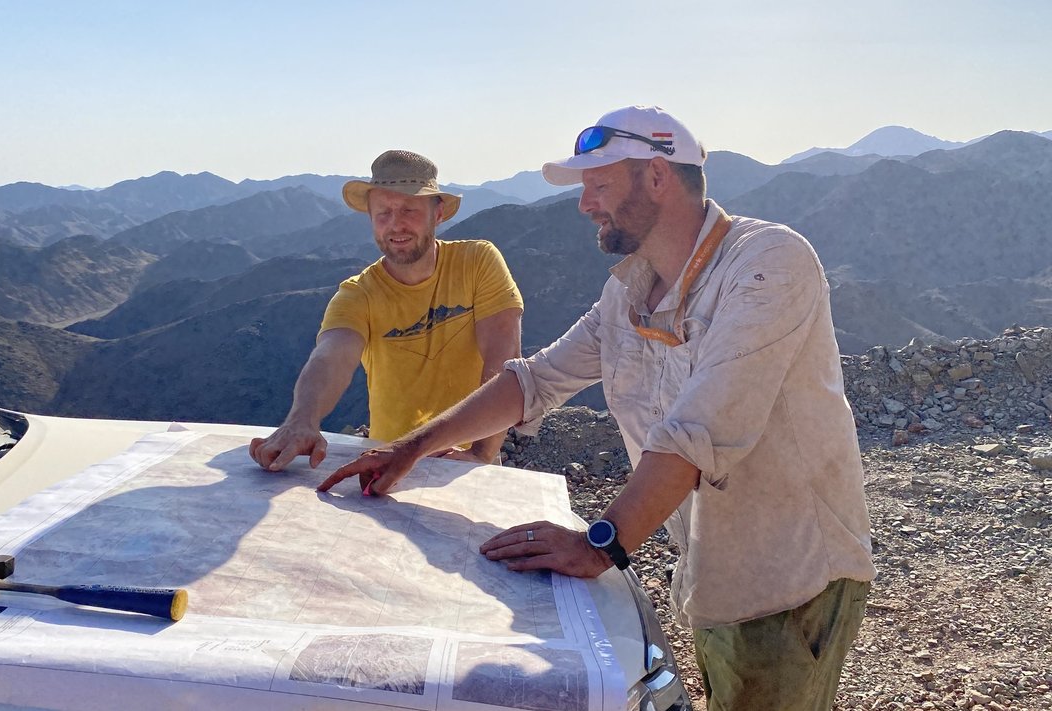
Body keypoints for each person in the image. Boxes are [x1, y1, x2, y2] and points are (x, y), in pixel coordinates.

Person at [318, 106, 876, 710]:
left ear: (657, 177)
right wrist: (412, 448)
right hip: (713, 569)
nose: (585, 205)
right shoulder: (631, 290)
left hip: (791, 576)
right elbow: (534, 382)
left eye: (599, 185)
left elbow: (698, 429)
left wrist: (601, 544)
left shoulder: (768, 262)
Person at [249, 149, 523, 471]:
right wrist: (302, 419)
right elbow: (330, 357)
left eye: (409, 210)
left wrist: (480, 454)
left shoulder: (478, 263)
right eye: (383, 213)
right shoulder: (358, 294)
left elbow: (503, 354)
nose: (396, 225)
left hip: (465, 463)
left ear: (439, 213)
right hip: (386, 461)